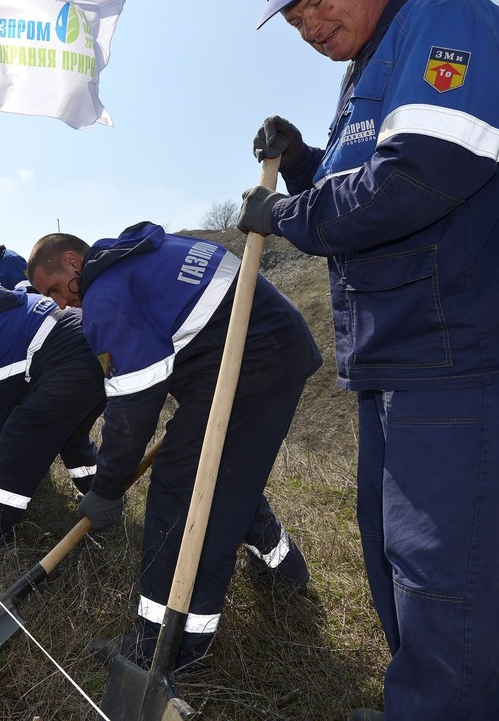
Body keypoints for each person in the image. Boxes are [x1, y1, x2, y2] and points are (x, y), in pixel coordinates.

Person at [240, 0, 499, 721]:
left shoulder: (448, 21)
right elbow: (360, 169)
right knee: (397, 566)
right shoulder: (366, 74)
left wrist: (289, 216)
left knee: (451, 585)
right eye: (294, 16)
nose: (308, 23)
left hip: (459, 362)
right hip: (395, 366)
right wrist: (304, 156)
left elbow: (413, 178)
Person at [28, 222, 319, 671]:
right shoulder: (144, 255)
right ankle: (287, 571)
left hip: (254, 359)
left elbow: (131, 412)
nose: (61, 302)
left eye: (55, 289)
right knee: (223, 472)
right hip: (260, 347)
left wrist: (107, 487)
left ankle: (165, 646)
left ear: (72, 261)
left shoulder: (104, 297)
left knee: (181, 489)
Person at [0, 277, 103, 548]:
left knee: (19, 437)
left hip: (71, 364)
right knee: (72, 437)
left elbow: (3, 398)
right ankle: (100, 493)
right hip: (99, 359)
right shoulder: (21, 303)